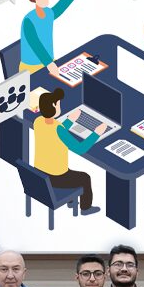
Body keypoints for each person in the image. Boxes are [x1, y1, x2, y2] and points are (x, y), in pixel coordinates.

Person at [28, 88, 102, 216]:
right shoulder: (59, 129)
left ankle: (71, 200)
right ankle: (85, 208)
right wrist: (96, 133)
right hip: (56, 178)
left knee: (72, 174)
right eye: (58, 104)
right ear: (53, 107)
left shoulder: (38, 121)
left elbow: (54, 132)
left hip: (40, 172)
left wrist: (70, 120)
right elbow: (80, 148)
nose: (60, 105)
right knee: (85, 178)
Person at [17, 0, 84, 73]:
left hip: (49, 62)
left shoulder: (48, 13)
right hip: (31, 68)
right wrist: (49, 63)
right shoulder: (28, 20)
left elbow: (61, 6)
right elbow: (35, 44)